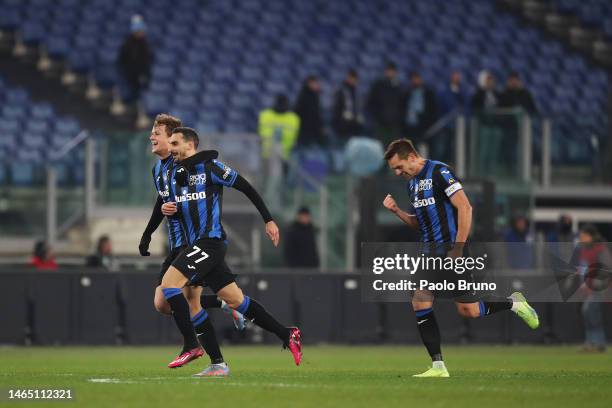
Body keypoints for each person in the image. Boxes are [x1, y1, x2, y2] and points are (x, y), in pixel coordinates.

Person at [382, 139, 539, 377]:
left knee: (470, 311)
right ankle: (438, 366)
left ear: (412, 156)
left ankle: (514, 303)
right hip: (428, 254)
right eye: (394, 169)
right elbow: (418, 223)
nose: (397, 172)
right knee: (419, 300)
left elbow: (465, 208)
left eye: (399, 166)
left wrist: (458, 248)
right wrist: (397, 212)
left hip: (451, 251)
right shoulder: (411, 184)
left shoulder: (439, 171)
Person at [159, 127, 302, 371]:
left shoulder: (212, 167)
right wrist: (166, 210)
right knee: (236, 300)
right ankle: (286, 334)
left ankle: (191, 346)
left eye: (174, 143)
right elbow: (180, 204)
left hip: (210, 242)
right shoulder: (177, 173)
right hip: (195, 246)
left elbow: (247, 187)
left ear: (190, 144)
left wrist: (268, 219)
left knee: (170, 286)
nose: (170, 148)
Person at [138, 114, 245, 376]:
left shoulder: (181, 166)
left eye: (157, 133)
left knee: (187, 300)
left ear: (174, 138)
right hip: (177, 244)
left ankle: (212, 359)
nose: (152, 136)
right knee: (163, 303)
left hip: (192, 243)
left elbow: (201, 180)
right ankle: (223, 309)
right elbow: (162, 202)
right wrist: (148, 233)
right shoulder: (158, 170)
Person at [572, 225, 610, 352]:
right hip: (587, 288)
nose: (581, 238)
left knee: (590, 312)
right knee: (588, 313)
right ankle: (592, 342)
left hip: (597, 287)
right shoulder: (584, 250)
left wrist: (593, 285)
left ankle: (598, 343)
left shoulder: (600, 249)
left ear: (591, 236)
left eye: (584, 236)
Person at [365, 61, 403, 146]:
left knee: (393, 148)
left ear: (395, 72)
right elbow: (370, 103)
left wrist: (398, 117)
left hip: (394, 124)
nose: (390, 73)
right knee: (380, 146)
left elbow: (402, 105)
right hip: (380, 124)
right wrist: (377, 117)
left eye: (392, 71)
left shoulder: (399, 87)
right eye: (389, 70)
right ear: (385, 71)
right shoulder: (378, 85)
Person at [117, 14, 153, 102]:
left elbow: (148, 59)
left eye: (142, 31)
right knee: (132, 93)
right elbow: (123, 60)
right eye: (139, 31)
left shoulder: (145, 43)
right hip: (131, 75)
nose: (141, 33)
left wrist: (145, 74)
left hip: (142, 74)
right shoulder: (128, 44)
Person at [258, 94, 300, 161]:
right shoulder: (265, 115)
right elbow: (261, 135)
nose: (281, 106)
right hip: (267, 156)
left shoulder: (293, 118)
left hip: (285, 157)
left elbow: (293, 138)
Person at [401, 71, 437, 141]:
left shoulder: (428, 93)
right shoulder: (406, 93)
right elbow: (402, 108)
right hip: (409, 125)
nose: (415, 81)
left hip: (424, 125)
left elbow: (433, 109)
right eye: (413, 79)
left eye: (417, 78)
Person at [332, 69, 364, 144]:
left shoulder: (357, 93)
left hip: (355, 127)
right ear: (348, 78)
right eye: (352, 79)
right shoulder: (341, 91)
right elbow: (337, 108)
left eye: (355, 79)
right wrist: (338, 124)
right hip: (343, 126)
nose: (354, 81)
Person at [294, 75, 325, 147]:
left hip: (314, 129)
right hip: (305, 129)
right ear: (309, 83)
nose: (317, 85)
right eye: (315, 83)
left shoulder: (316, 96)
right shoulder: (303, 96)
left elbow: (317, 113)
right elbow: (298, 112)